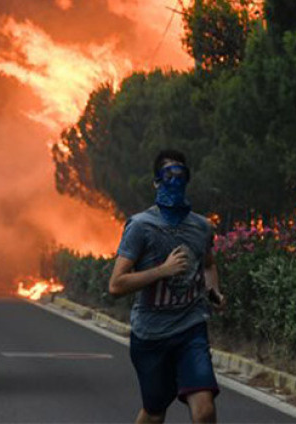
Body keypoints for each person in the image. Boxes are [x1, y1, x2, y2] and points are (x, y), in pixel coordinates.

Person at [109, 150, 226, 424]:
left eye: (180, 176)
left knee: (205, 410)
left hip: (190, 328)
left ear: (188, 179)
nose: (174, 182)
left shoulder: (202, 226)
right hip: (150, 335)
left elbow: (208, 264)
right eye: (167, 176)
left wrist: (214, 292)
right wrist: (163, 270)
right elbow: (116, 284)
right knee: (154, 412)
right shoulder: (140, 226)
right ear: (156, 182)